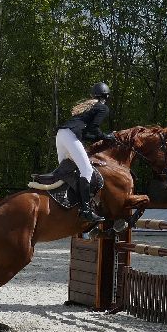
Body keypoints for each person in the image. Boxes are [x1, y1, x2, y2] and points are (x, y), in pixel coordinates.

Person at [55, 82, 112, 228]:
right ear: (106, 96)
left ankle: (66, 202)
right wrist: (106, 137)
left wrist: (102, 138)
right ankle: (86, 209)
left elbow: (87, 134)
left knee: (66, 169)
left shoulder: (87, 107)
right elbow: (94, 128)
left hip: (61, 135)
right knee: (86, 170)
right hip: (70, 136)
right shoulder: (102, 107)